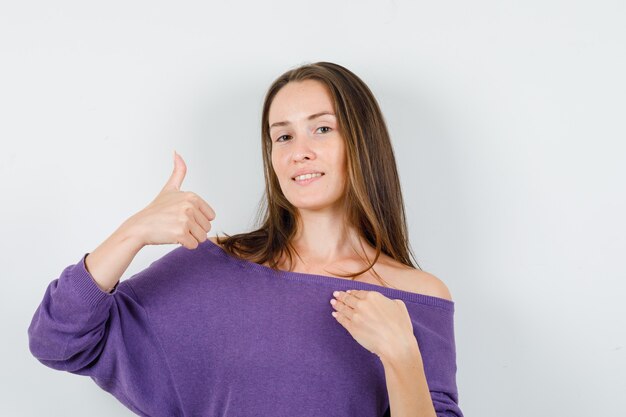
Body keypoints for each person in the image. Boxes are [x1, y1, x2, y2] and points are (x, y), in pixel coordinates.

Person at [28, 61, 464, 417]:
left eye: (323, 129)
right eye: (283, 136)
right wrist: (133, 232)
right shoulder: (212, 264)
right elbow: (56, 340)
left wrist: (402, 356)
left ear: (363, 143)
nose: (299, 151)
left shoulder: (417, 297)